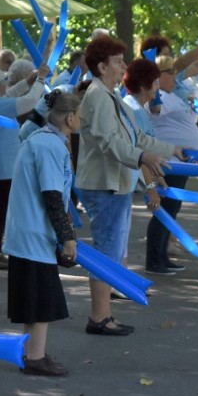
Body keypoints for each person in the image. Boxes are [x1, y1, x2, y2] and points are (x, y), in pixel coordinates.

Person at [76, 35, 184, 335]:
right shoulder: (98, 95)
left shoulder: (108, 95)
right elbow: (109, 142)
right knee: (106, 252)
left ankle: (104, 315)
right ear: (101, 66)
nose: (123, 66)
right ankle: (99, 318)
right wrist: (143, 157)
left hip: (115, 183)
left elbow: (136, 137)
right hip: (104, 184)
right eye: (118, 61)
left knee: (111, 250)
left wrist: (168, 148)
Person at [3, 91, 81, 377]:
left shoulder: (40, 139)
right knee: (41, 298)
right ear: (70, 118)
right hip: (34, 232)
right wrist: (67, 237)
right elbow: (51, 193)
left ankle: (31, 352)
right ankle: (35, 357)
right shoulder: (50, 145)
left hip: (28, 231)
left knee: (32, 297)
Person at [0, 62, 48, 269]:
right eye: (4, 81)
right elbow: (29, 101)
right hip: (1, 166)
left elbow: (14, 93)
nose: (7, 84)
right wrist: (40, 79)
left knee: (1, 210)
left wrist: (29, 80)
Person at [144, 54, 198, 274]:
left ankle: (161, 256)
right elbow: (154, 110)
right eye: (169, 72)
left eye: (174, 71)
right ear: (157, 77)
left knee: (172, 210)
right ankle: (154, 260)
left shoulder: (172, 95)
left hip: (180, 161)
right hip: (169, 162)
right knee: (165, 210)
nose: (174, 76)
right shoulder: (159, 96)